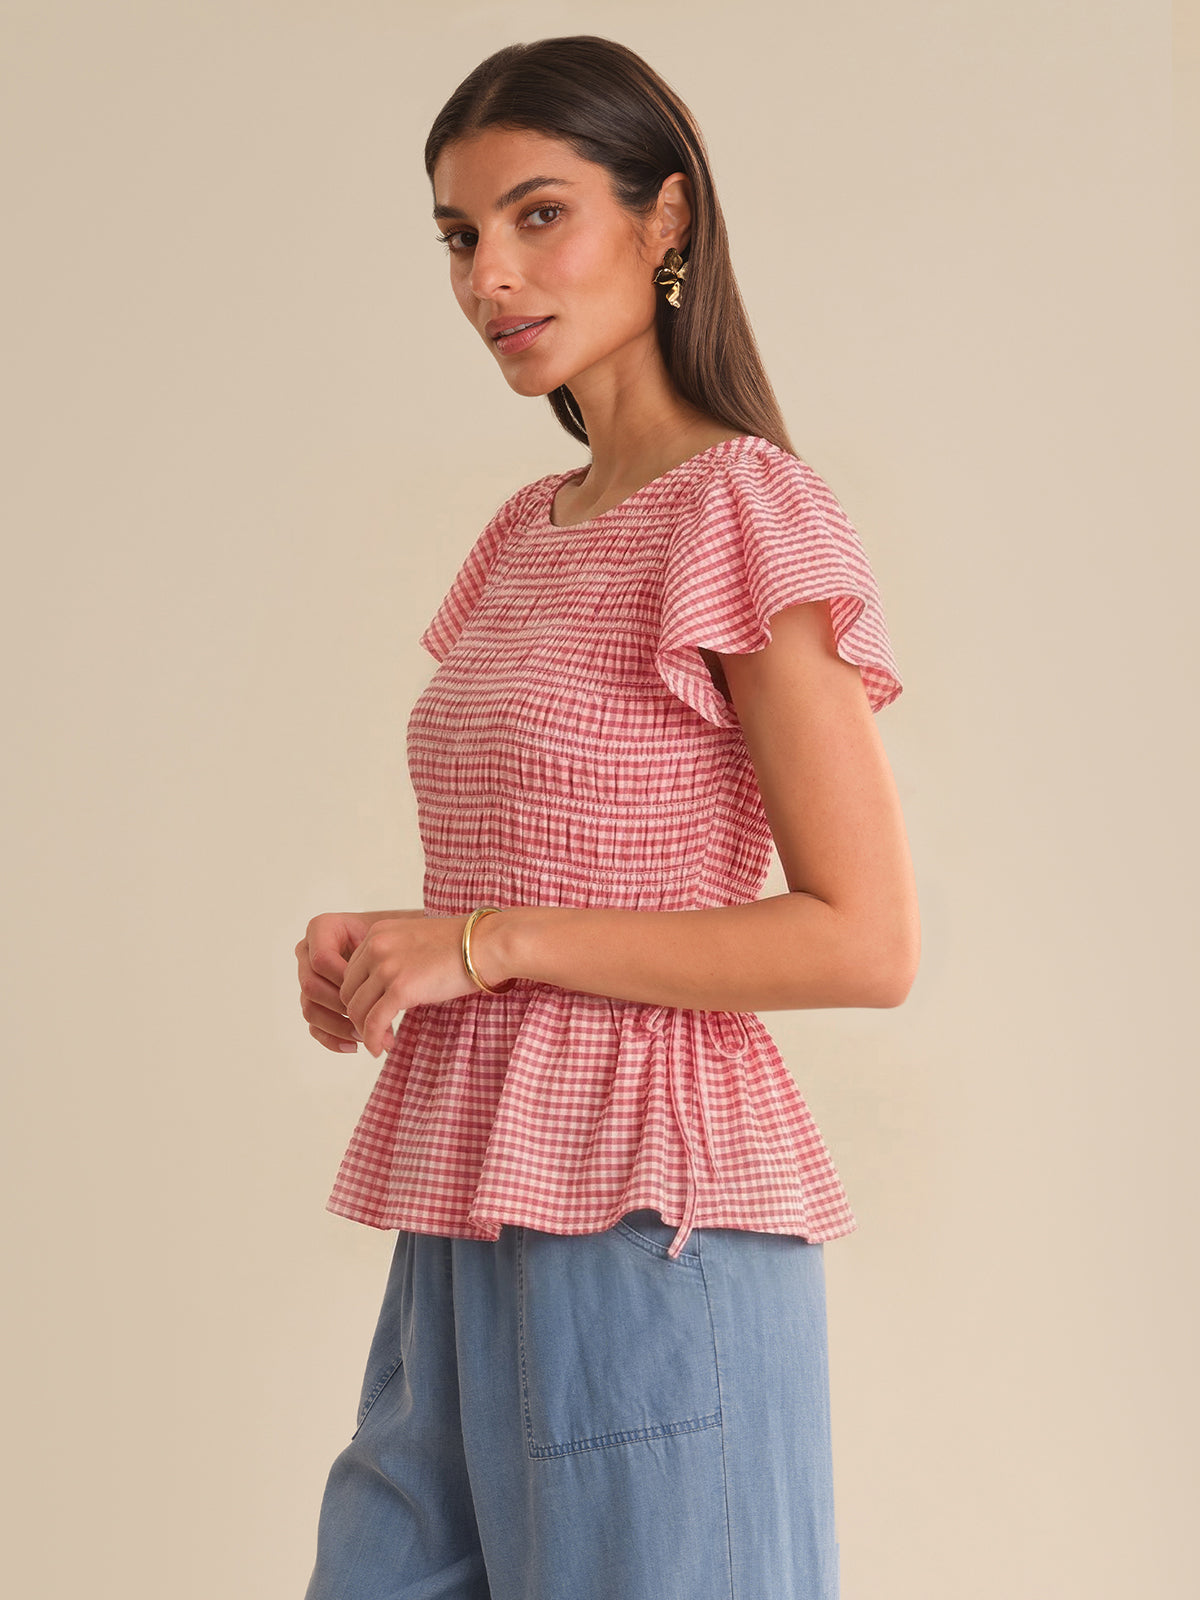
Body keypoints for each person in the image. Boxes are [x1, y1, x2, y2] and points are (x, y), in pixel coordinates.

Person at [295, 33, 919, 1600]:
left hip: (658, 1218)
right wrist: (399, 948)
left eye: (536, 215)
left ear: (666, 222)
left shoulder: (743, 510)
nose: (489, 276)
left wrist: (486, 947)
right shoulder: (523, 533)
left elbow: (866, 939)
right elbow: (539, 851)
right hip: (467, 1199)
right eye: (458, 236)